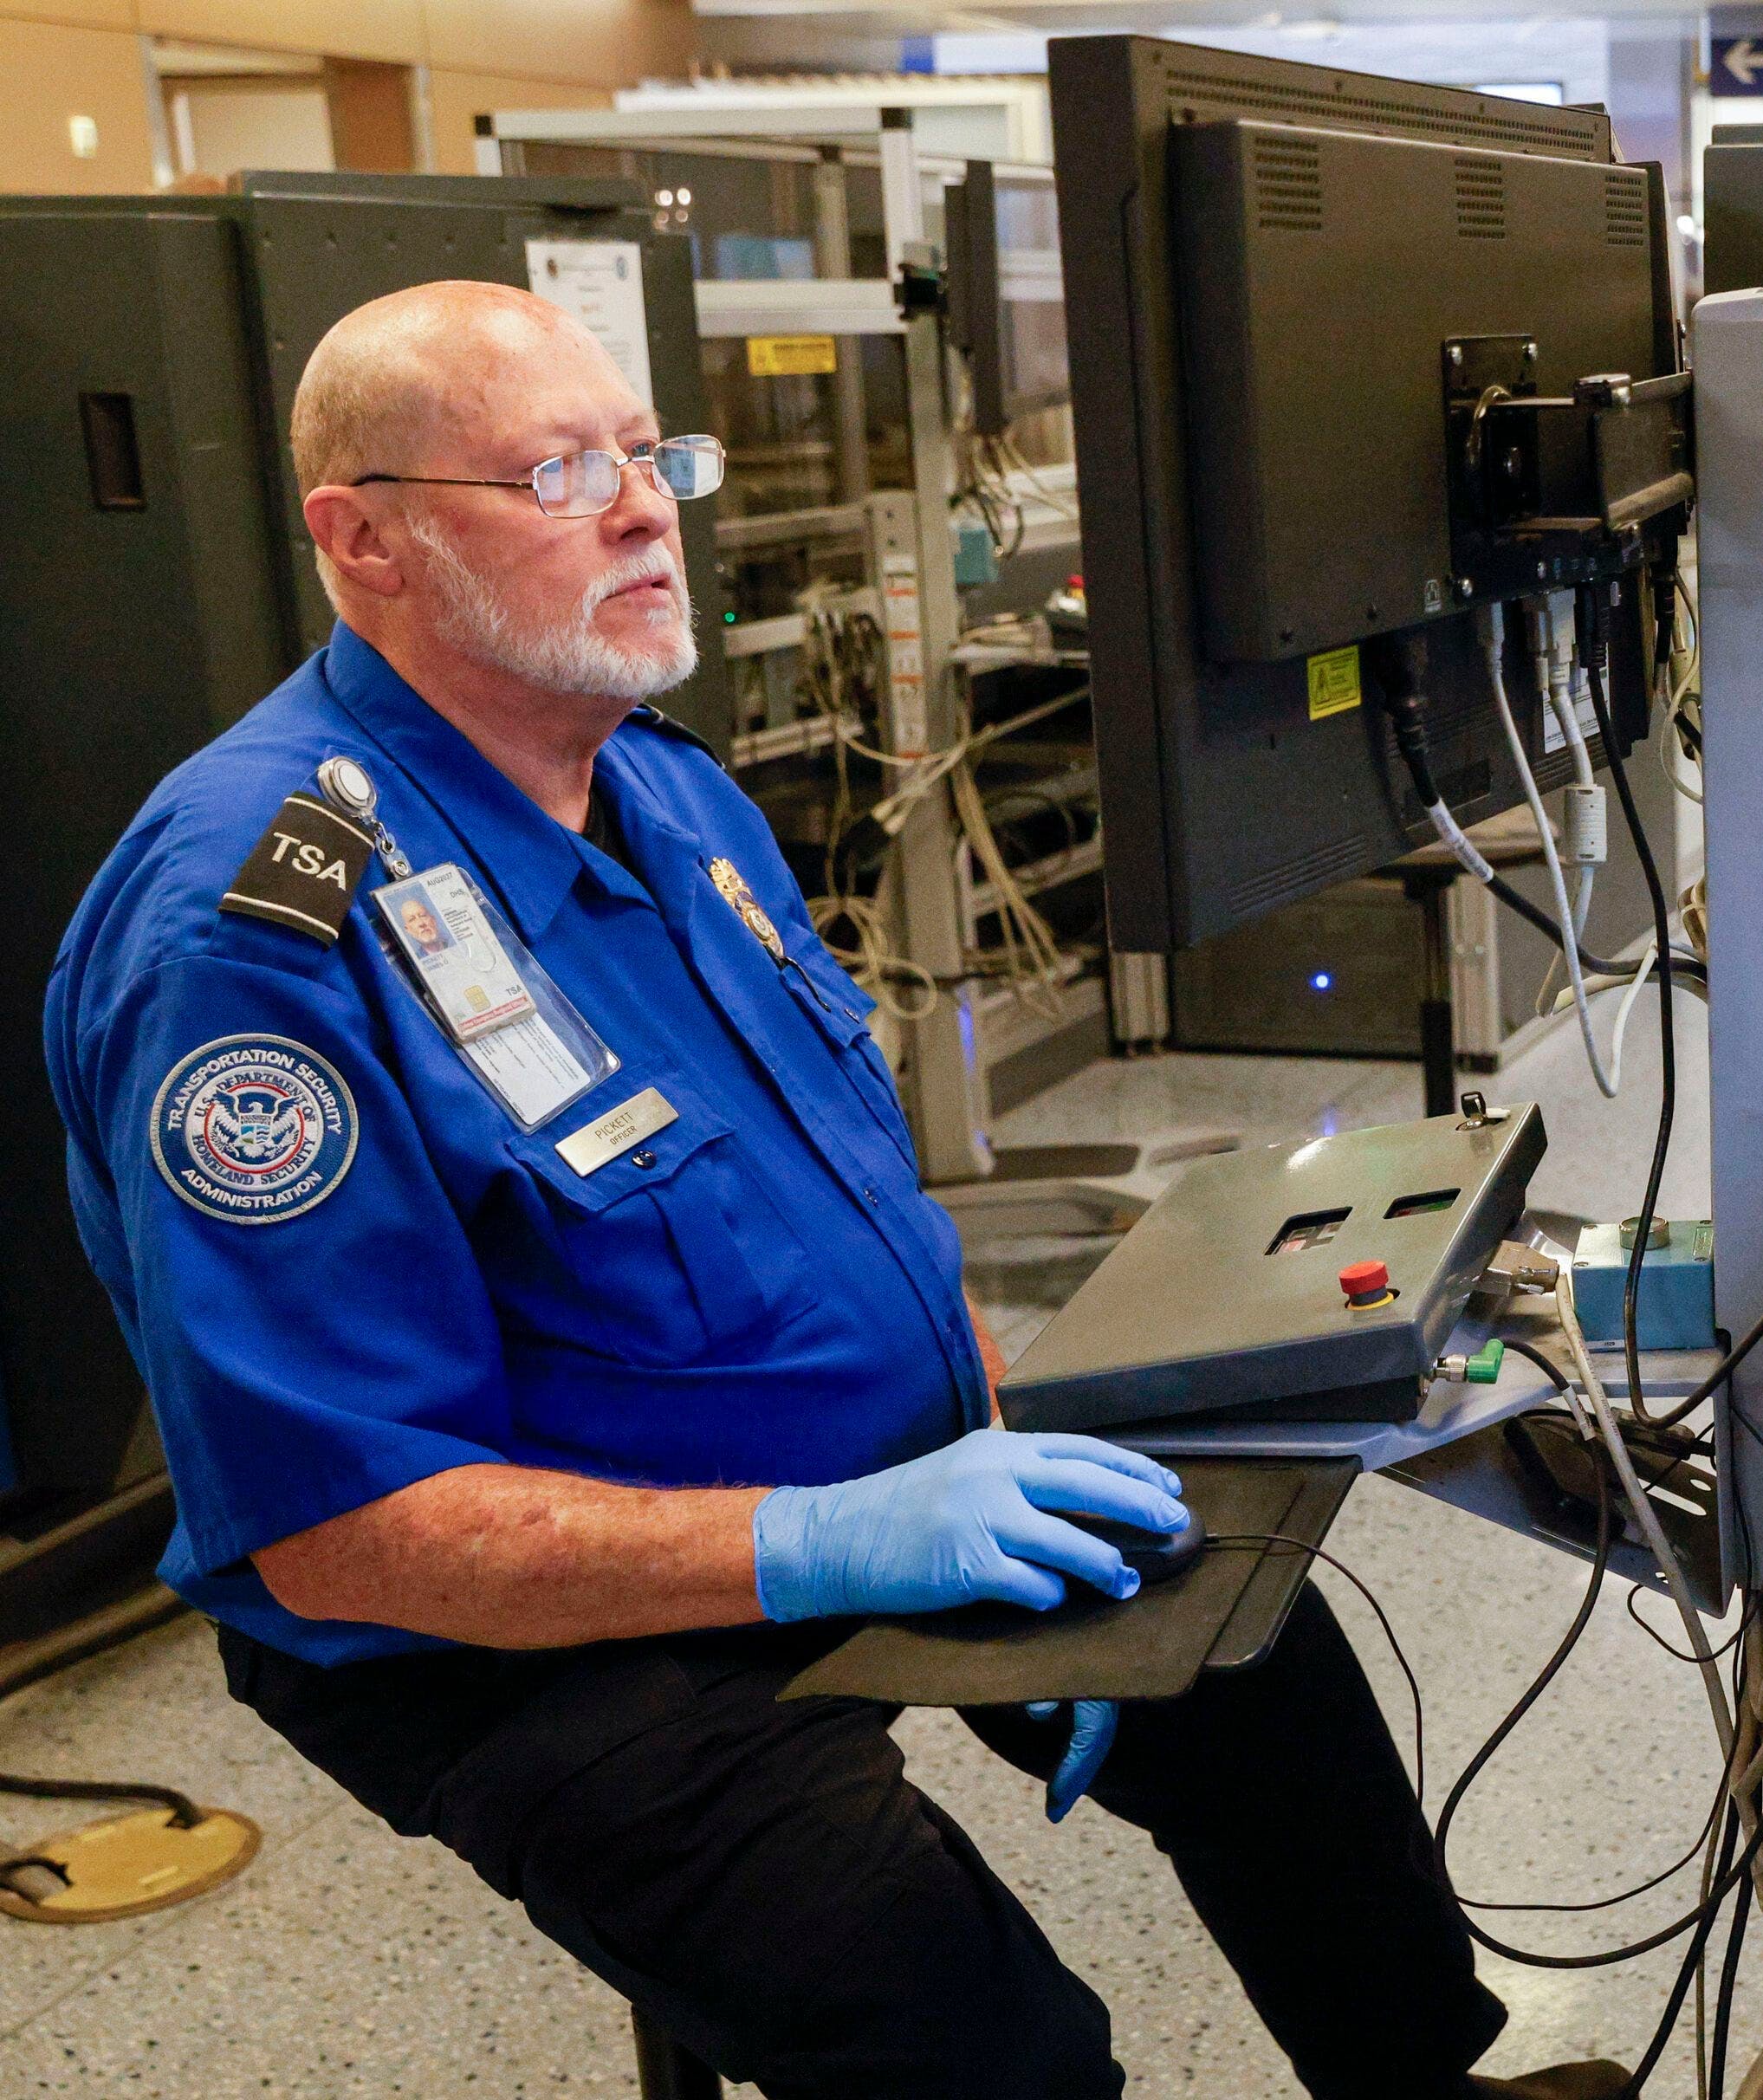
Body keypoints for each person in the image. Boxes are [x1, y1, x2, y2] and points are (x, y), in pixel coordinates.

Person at [44, 281, 1624, 2100]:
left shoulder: (663, 792)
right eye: (560, 473)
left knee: (1255, 1655)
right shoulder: (252, 937)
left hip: (878, 1483)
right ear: (365, 541)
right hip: (502, 1639)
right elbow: (345, 1529)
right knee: (973, 2031)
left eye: (650, 457)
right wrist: (828, 1543)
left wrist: (975, 1430)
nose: (645, 510)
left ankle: (1423, 2082)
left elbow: (848, 1178)